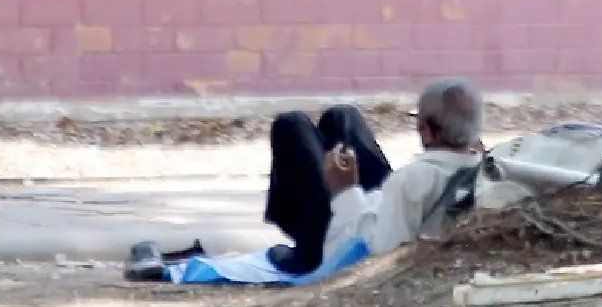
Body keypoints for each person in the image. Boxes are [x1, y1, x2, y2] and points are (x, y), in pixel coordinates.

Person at [125, 79, 485, 281]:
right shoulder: (483, 166)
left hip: (337, 243)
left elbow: (372, 257)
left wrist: (345, 191)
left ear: (427, 131)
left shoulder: (411, 181)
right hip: (382, 207)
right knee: (342, 119)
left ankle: (297, 234)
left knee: (292, 126)